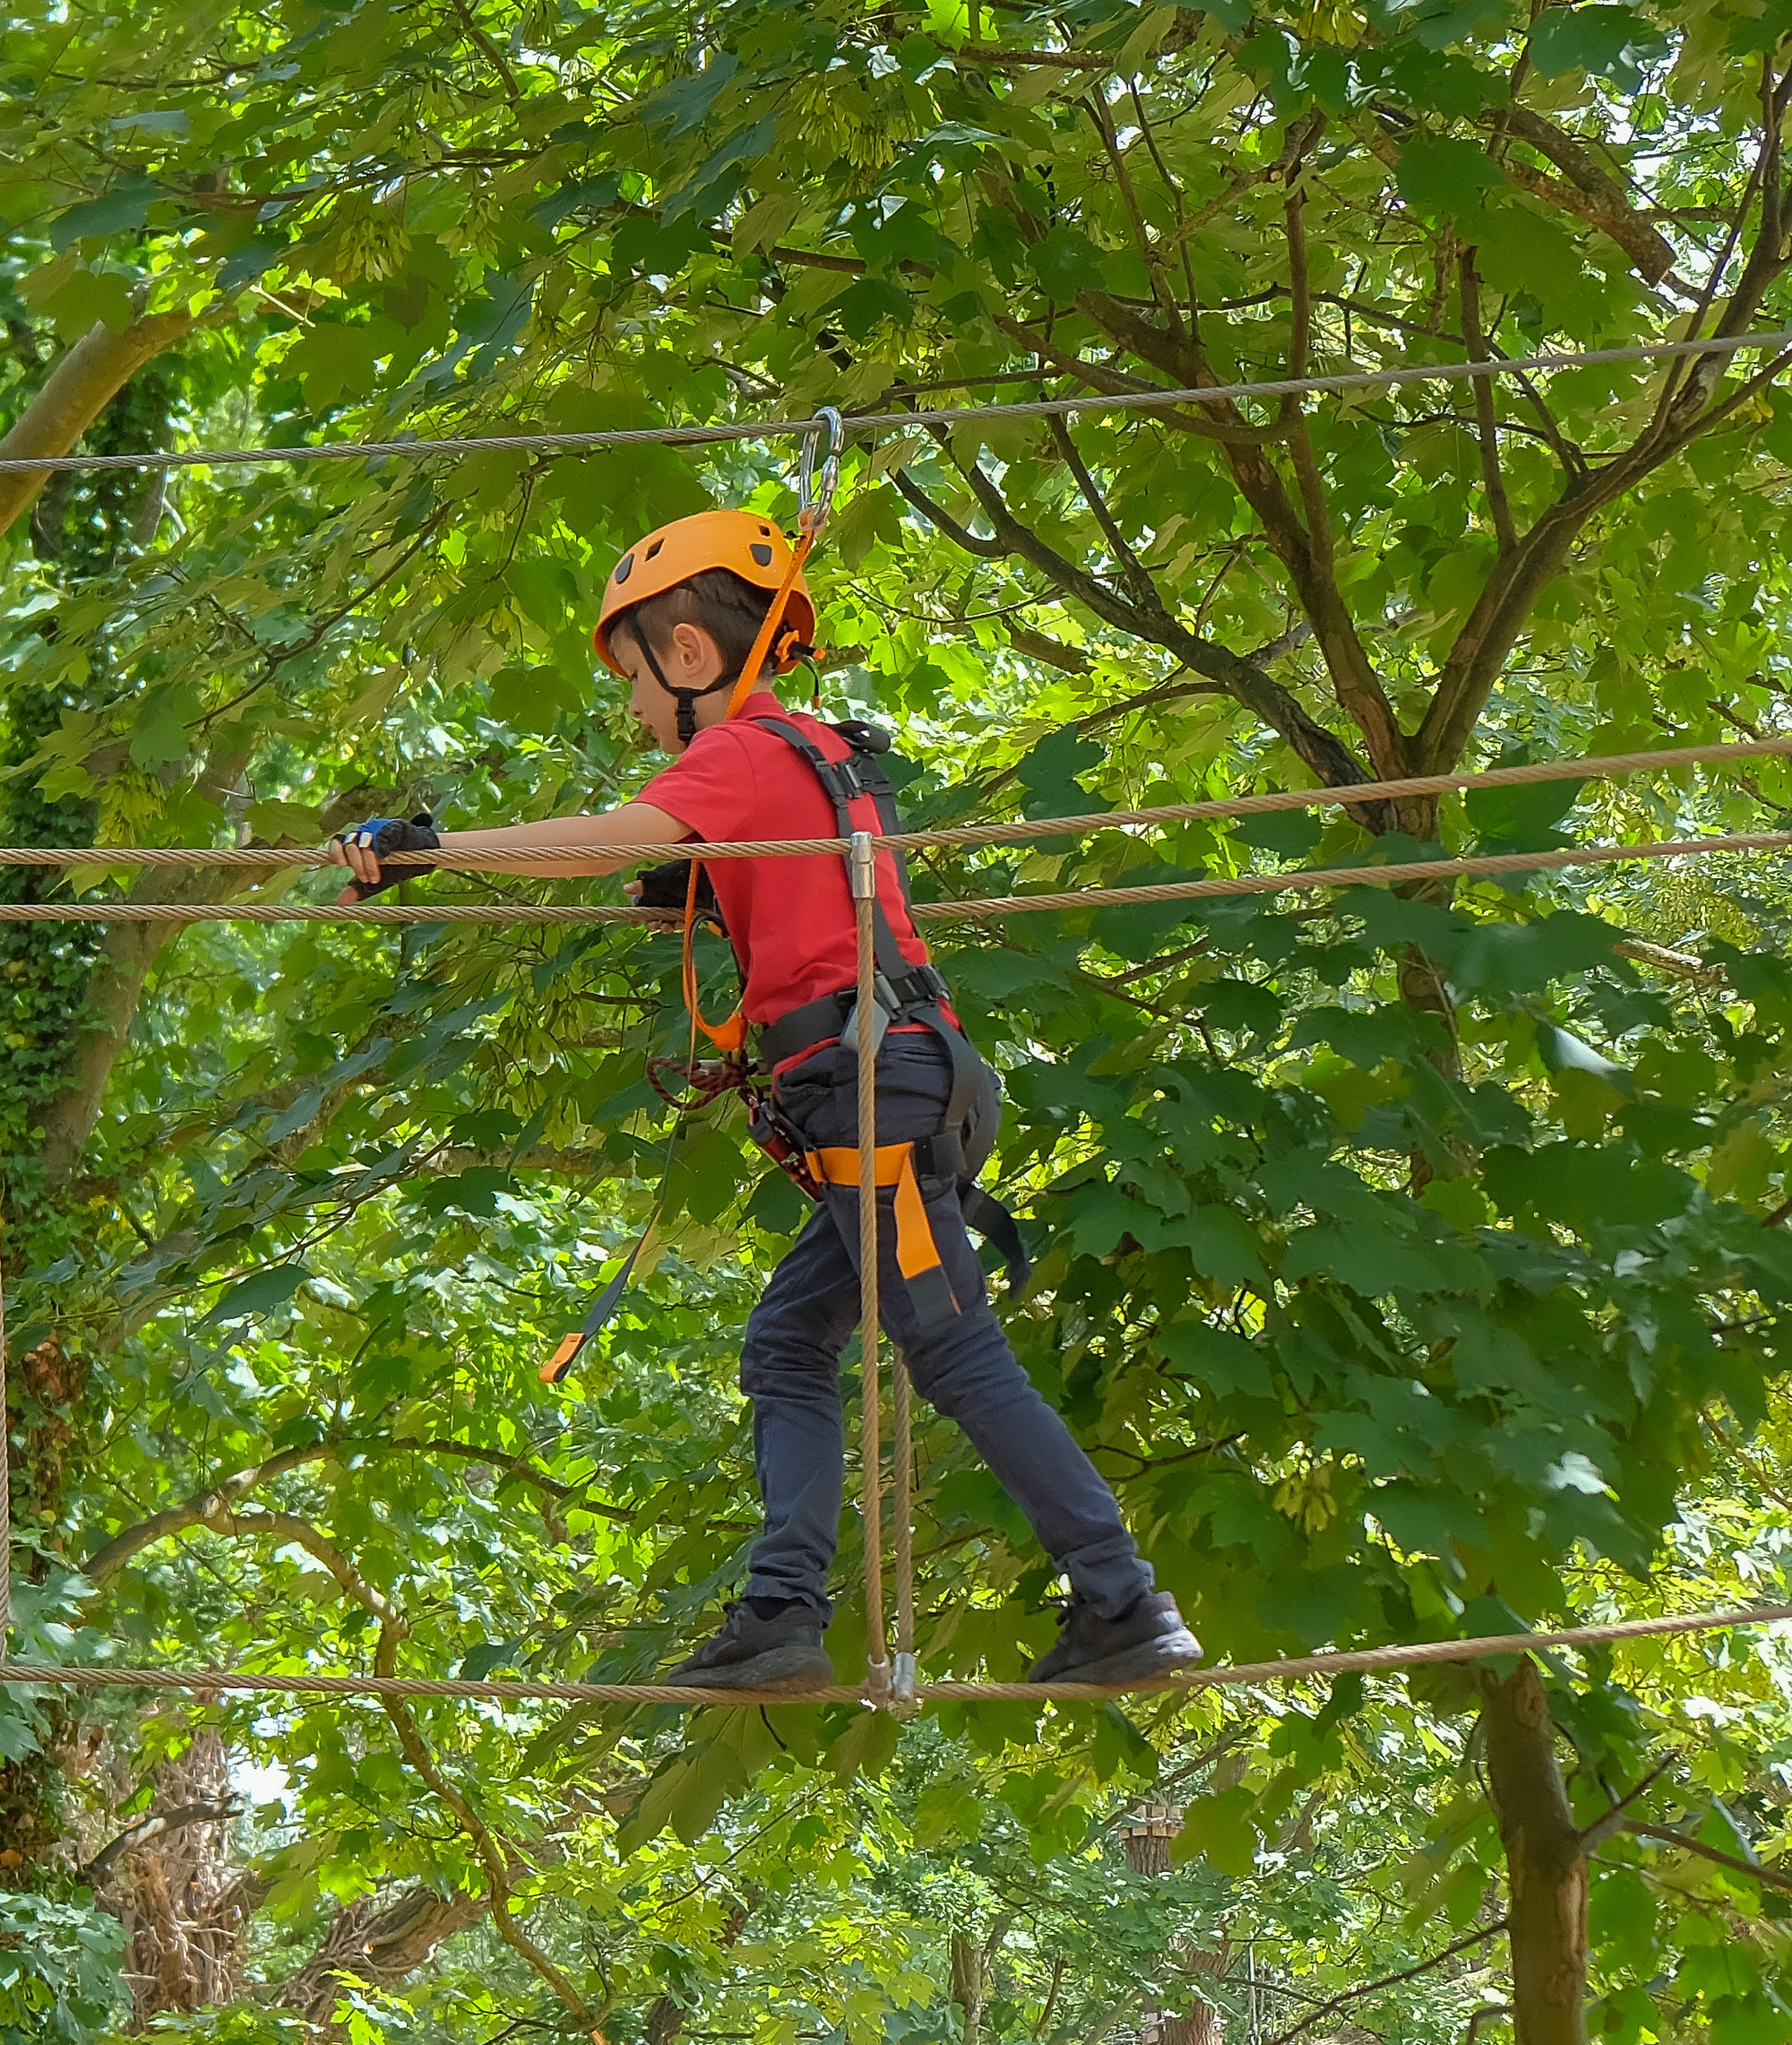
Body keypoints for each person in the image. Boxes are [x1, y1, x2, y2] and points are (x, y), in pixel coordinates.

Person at [333, 505, 1203, 1695]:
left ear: (690, 656)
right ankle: (783, 1610)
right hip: (891, 1084)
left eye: (635, 680)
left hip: (872, 1096)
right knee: (789, 1341)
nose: (634, 712)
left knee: (953, 1354)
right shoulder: (814, 756)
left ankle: (1125, 1600)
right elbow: (720, 879)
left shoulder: (737, 757)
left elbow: (605, 839)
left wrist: (435, 850)